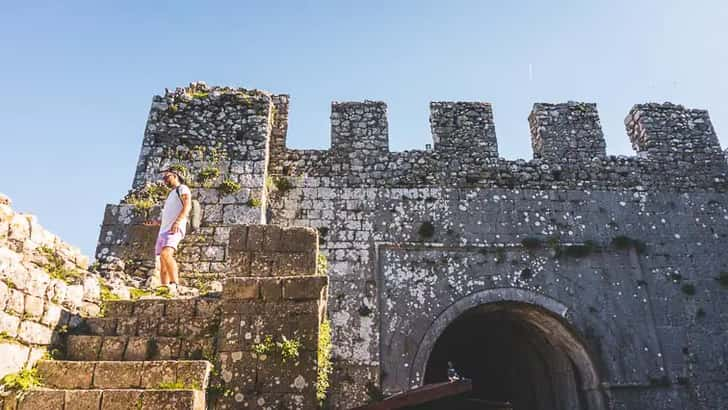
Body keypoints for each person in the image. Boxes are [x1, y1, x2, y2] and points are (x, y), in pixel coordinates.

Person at [153, 167, 191, 294]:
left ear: (175, 176)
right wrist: (156, 223)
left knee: (166, 254)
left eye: (167, 177)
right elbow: (169, 215)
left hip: (174, 228)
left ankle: (174, 284)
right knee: (162, 261)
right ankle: (164, 288)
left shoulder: (183, 189)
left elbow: (187, 205)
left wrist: (178, 221)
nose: (164, 180)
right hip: (164, 231)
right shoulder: (171, 194)